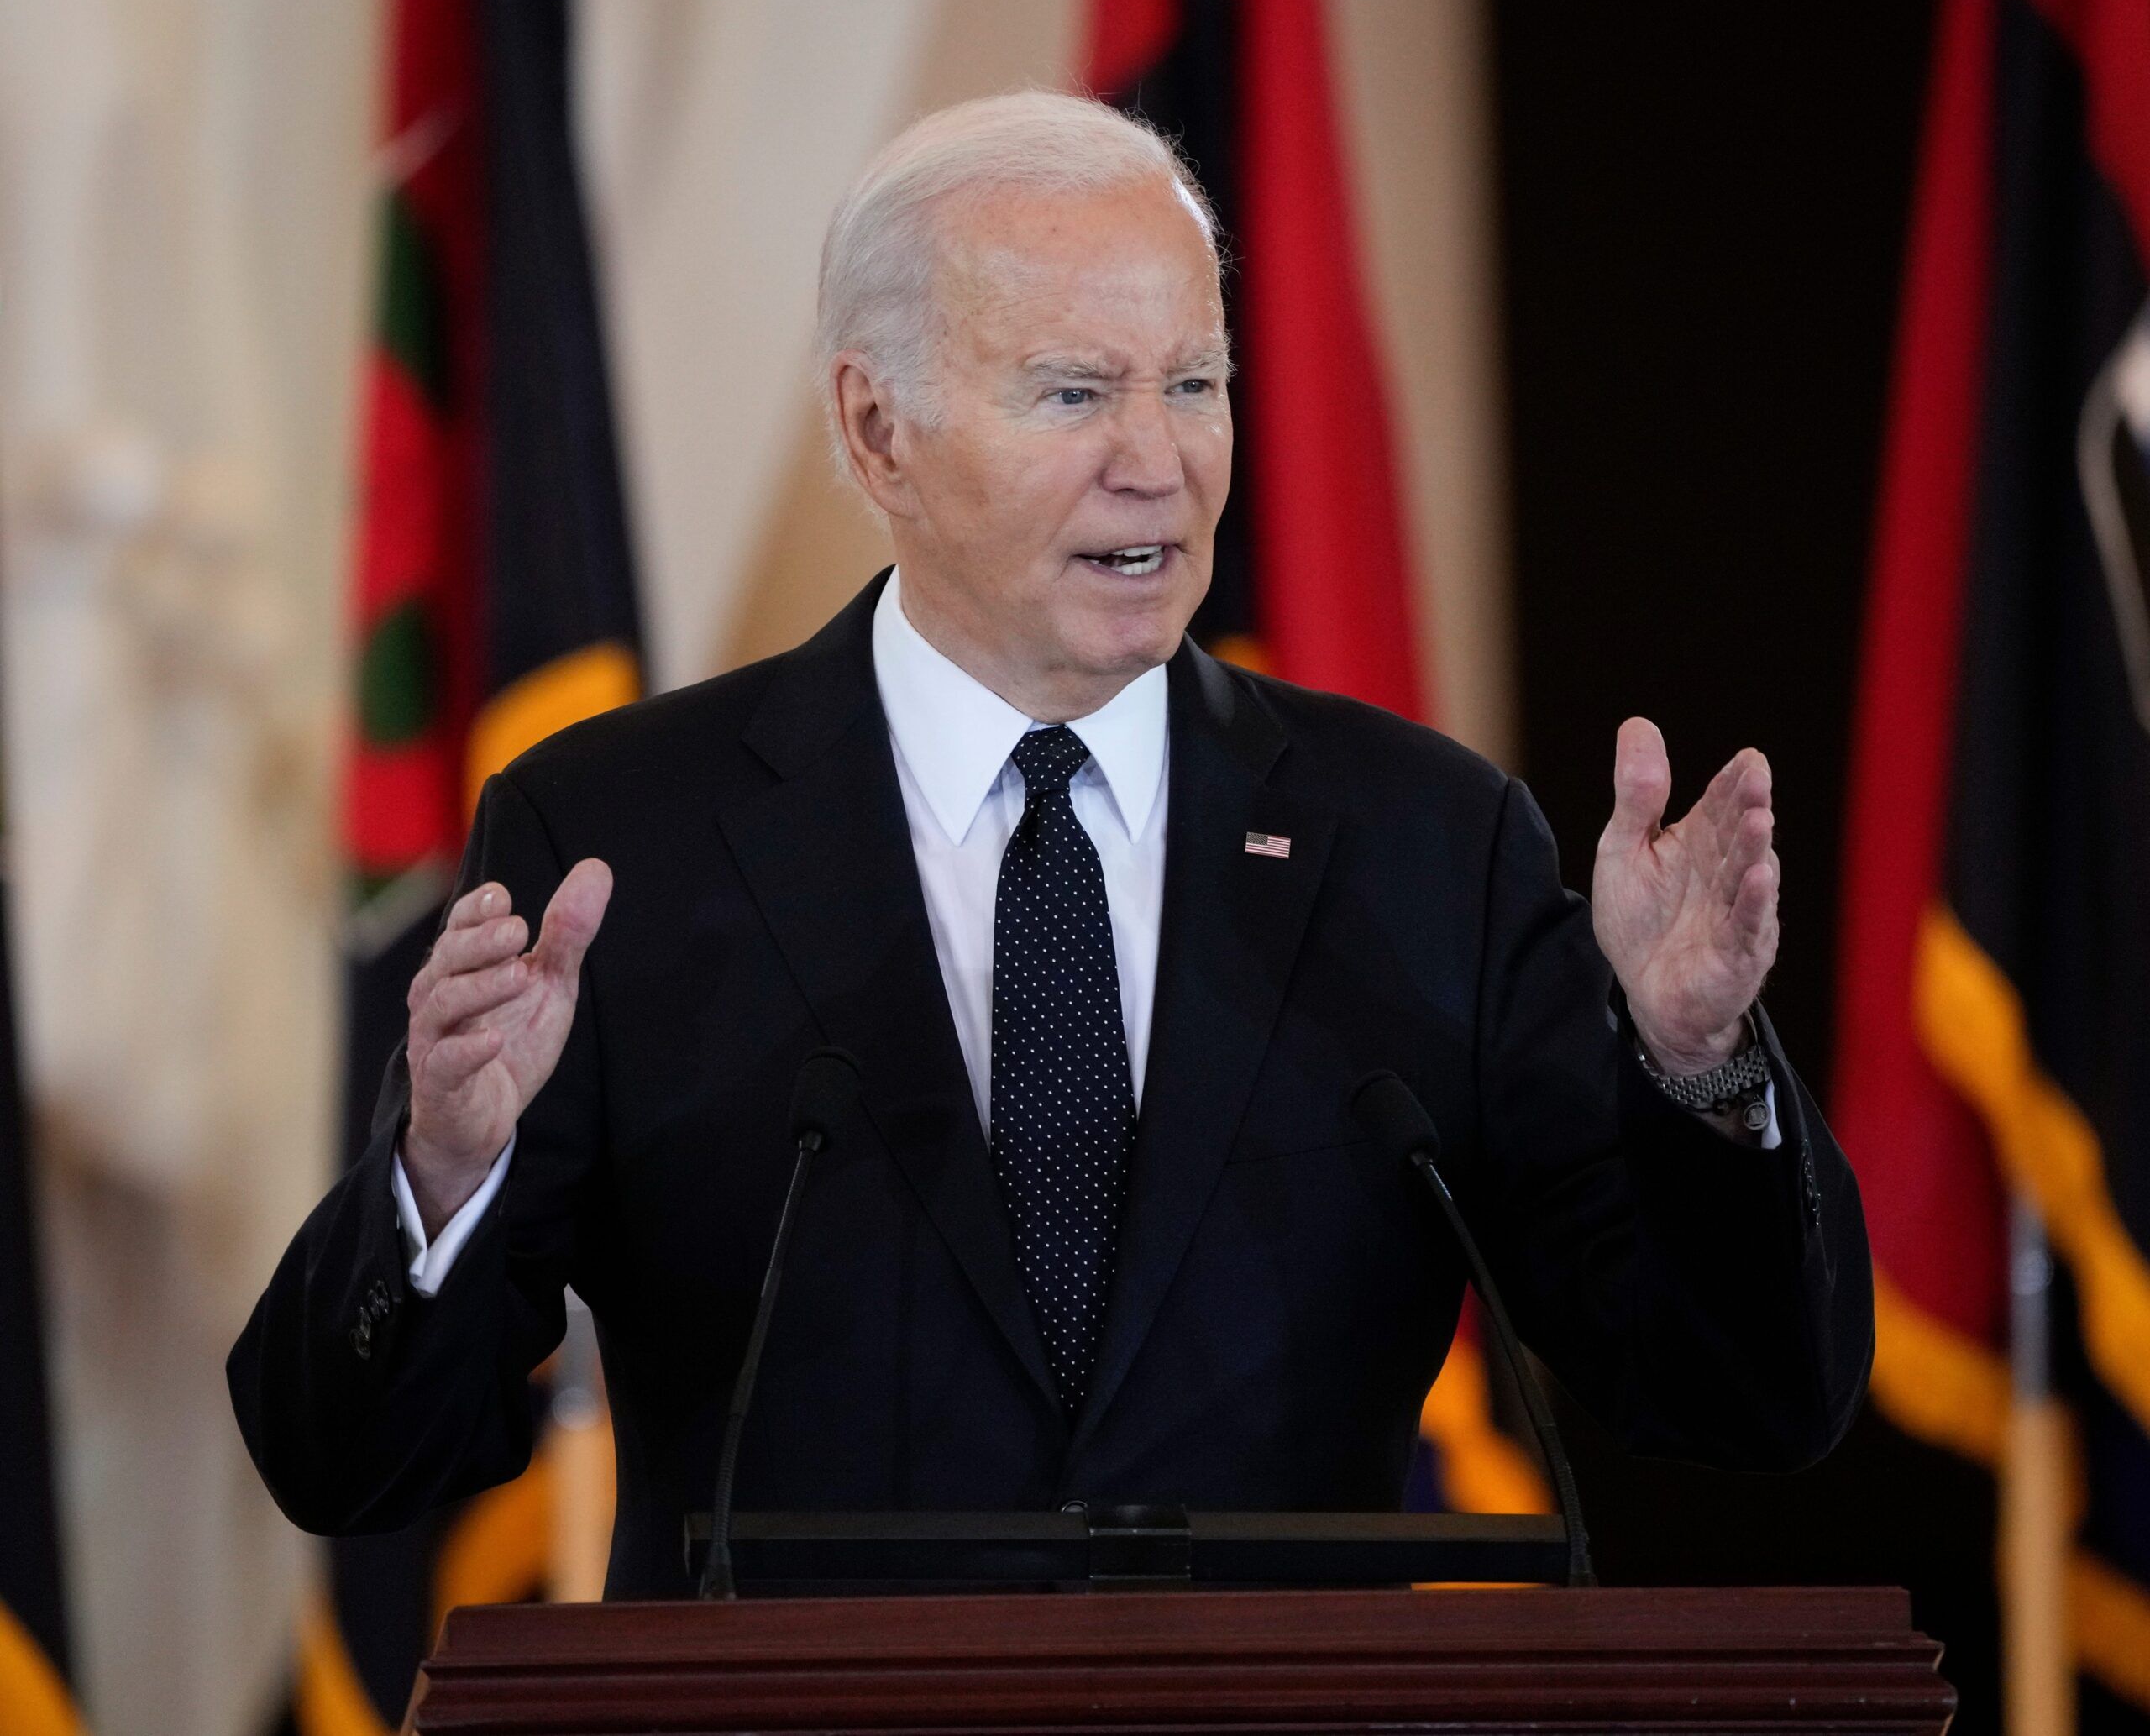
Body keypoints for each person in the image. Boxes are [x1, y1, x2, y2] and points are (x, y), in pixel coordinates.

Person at [230, 91, 1871, 1597]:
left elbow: (1748, 1400)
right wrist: (440, 1182)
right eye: (1075, 392)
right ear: (876, 433)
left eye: (1195, 384)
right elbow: (351, 1462)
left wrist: (1693, 1069)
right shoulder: (619, 839)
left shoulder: (1421, 844)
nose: (1156, 461)